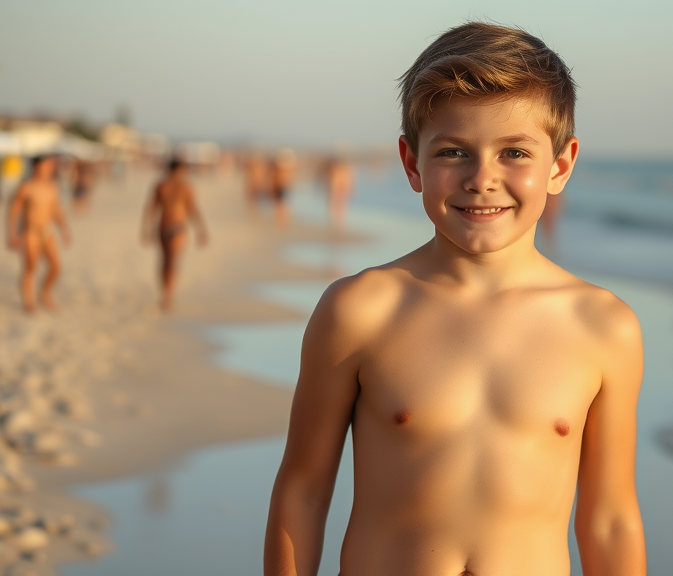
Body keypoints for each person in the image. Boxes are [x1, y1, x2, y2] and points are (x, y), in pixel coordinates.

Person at [264, 21, 646, 576]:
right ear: (413, 162)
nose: (481, 179)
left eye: (514, 152)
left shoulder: (602, 326)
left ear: (560, 165)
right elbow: (302, 492)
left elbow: (610, 518)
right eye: (453, 152)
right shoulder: (361, 311)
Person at [6, 155, 72, 313]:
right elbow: (14, 210)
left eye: (50, 165)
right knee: (30, 267)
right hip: (30, 232)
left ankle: (44, 293)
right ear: (37, 167)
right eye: (47, 165)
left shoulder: (52, 187)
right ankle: (29, 302)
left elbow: (56, 210)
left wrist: (64, 229)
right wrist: (12, 233)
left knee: (56, 267)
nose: (50, 168)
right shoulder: (26, 187)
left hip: (47, 231)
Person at [141, 158, 208, 312]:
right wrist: (146, 229)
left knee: (170, 261)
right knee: (166, 261)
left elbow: (192, 209)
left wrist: (201, 230)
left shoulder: (183, 187)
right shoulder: (164, 186)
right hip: (168, 228)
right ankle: (166, 293)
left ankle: (168, 295)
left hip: (175, 228)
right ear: (177, 170)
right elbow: (151, 208)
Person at [323, 156, 353, 229]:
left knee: (339, 202)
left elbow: (349, 181)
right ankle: (335, 220)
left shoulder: (343, 170)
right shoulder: (338, 170)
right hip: (338, 184)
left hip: (340, 185)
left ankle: (337, 220)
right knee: (336, 202)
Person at [269, 149, 297, 226]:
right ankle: (283, 219)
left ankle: (282, 219)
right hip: (283, 186)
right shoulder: (287, 168)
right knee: (282, 203)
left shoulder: (279, 168)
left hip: (282, 186)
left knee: (281, 203)